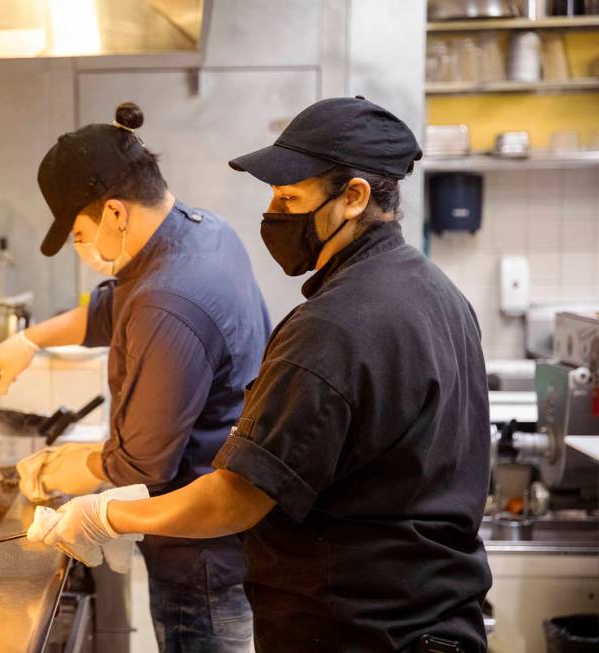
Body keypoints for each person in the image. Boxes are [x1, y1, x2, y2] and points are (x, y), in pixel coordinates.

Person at [30, 96, 494, 652]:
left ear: (354, 197)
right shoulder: (437, 293)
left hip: (358, 632)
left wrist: (105, 514)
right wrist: (29, 337)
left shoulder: (332, 328)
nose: (275, 212)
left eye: (290, 196)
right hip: (435, 623)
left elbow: (237, 498)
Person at [0, 102, 270, 652]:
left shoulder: (168, 300)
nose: (81, 248)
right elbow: (113, 308)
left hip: (202, 554)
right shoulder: (203, 230)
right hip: (227, 538)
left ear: (115, 212)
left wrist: (67, 465)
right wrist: (28, 339)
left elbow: (142, 463)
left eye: (80, 233)